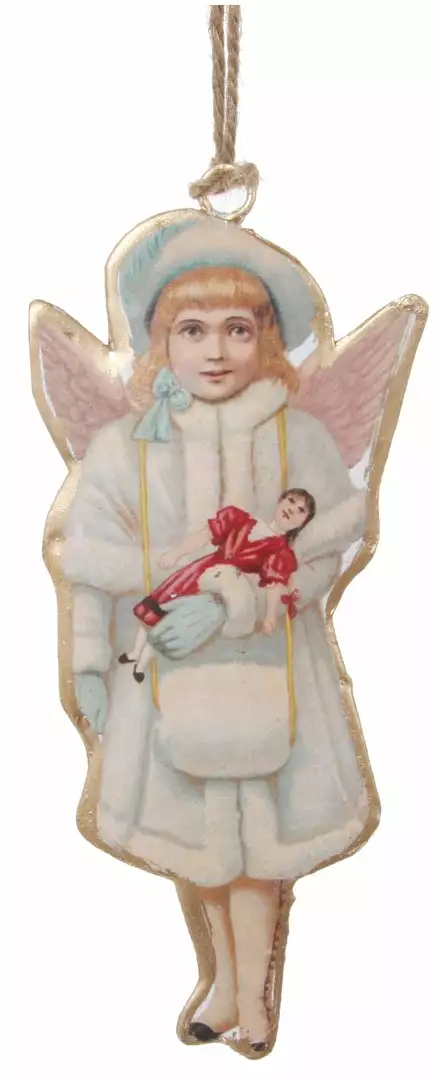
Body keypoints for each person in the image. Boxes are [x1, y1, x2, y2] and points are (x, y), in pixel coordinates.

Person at [61, 216, 374, 1051]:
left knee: (260, 835)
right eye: (191, 329)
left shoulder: (297, 436)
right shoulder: (122, 448)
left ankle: (254, 997)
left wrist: (248, 601)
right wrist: (87, 662)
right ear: (161, 342)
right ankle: (225, 984)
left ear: (265, 340)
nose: (215, 350)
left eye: (237, 329)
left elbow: (328, 548)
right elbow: (88, 561)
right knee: (199, 829)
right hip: (163, 673)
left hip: (276, 667)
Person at [120, 488, 316, 680]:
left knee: (178, 619)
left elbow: (274, 584)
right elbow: (204, 536)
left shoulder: (280, 552)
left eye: (300, 510)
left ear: (303, 523)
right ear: (280, 501)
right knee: (160, 603)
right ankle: (135, 652)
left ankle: (142, 664)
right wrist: (176, 553)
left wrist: (270, 615)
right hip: (200, 571)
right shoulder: (240, 519)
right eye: (291, 501)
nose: (292, 509)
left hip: (221, 590)